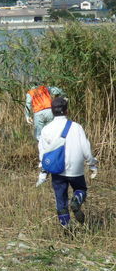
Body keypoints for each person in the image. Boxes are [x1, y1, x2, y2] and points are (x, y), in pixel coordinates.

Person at [37, 97, 98, 227]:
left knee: (61, 198)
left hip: (57, 168)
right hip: (76, 168)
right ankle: (76, 199)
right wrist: (92, 163)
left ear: (52, 111)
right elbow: (86, 148)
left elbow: (43, 153)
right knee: (80, 188)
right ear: (66, 111)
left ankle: (66, 227)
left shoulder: (46, 129)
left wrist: (43, 172)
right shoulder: (76, 127)